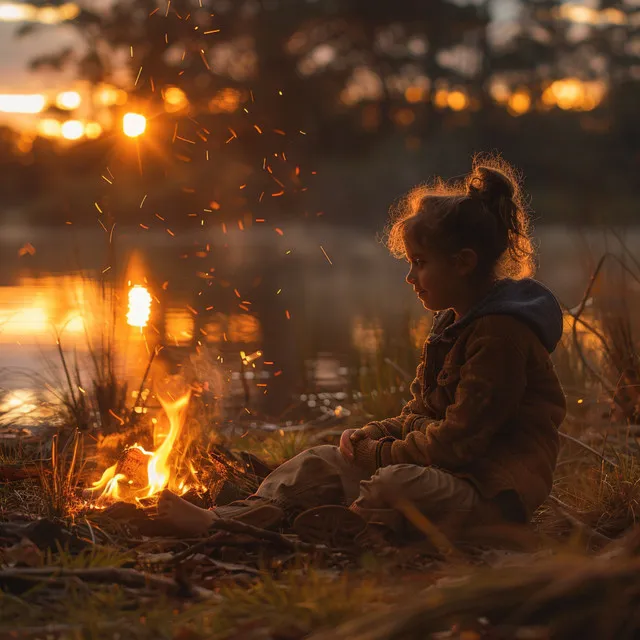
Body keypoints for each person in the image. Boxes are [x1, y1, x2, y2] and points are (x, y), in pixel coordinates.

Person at [157, 155, 567, 542]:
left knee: (393, 483)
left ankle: (345, 528)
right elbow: (422, 413)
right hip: (447, 471)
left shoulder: (500, 337)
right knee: (321, 460)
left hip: (491, 492)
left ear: (463, 262)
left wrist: (377, 455)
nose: (410, 277)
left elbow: (458, 444)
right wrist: (371, 436)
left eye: (420, 263)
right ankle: (230, 520)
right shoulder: (452, 323)